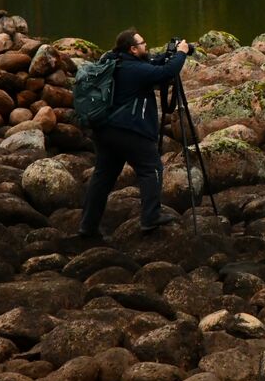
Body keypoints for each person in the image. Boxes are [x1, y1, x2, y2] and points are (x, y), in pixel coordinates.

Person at [77, 29, 191, 238]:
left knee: (103, 177)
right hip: (129, 131)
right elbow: (166, 73)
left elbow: (151, 65)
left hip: (105, 131)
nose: (145, 46)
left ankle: (87, 226)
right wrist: (181, 53)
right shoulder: (133, 69)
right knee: (151, 168)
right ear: (132, 48)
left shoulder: (116, 61)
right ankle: (150, 218)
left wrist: (167, 56)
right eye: (143, 43)